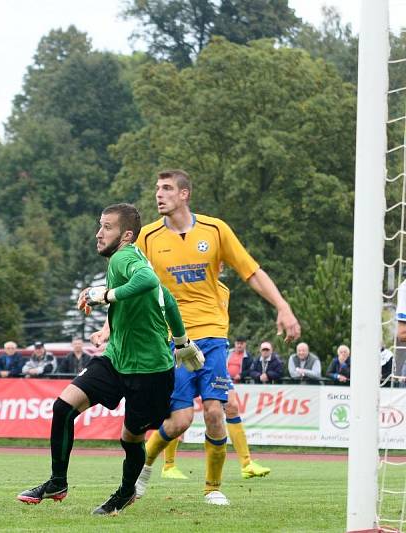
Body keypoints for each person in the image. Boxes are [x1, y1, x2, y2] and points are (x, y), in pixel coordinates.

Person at [124, 170, 300, 504]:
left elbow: (252, 272)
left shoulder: (216, 230)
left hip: (212, 336)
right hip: (171, 340)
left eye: (166, 188)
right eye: (156, 189)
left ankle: (213, 489)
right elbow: (131, 284)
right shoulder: (147, 237)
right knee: (178, 422)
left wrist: (283, 306)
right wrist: (110, 325)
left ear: (184, 194)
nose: (158, 195)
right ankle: (141, 473)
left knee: (216, 410)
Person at [18, 203, 203, 516]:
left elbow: (146, 281)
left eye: (107, 227)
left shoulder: (125, 256)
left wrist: (103, 295)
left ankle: (124, 493)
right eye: (99, 225)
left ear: (126, 234)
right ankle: (57, 482)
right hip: (116, 358)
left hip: (150, 369)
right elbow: (167, 300)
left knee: (130, 437)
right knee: (64, 407)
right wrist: (182, 341)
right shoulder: (125, 259)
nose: (98, 233)